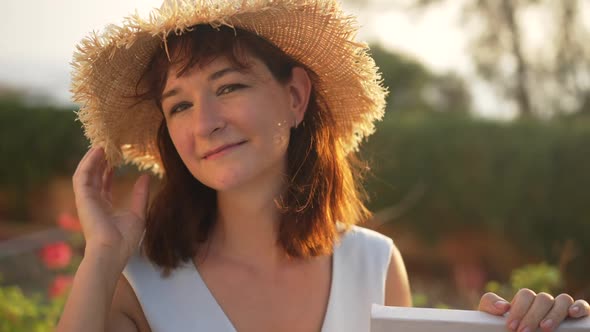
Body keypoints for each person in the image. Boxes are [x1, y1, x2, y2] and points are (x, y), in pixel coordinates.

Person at [57, 0, 589, 331]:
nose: (206, 123)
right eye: (179, 105)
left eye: (229, 86)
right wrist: (101, 257)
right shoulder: (135, 282)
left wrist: (529, 328)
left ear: (295, 97)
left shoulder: (375, 265)